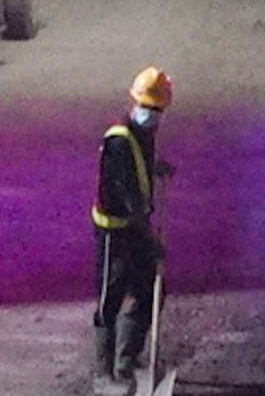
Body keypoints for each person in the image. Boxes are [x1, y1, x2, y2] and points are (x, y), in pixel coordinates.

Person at [91, 67, 173, 386]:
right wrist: (151, 240)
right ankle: (105, 373)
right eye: (150, 108)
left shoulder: (142, 135)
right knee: (108, 301)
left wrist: (155, 168)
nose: (153, 115)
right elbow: (129, 199)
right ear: (136, 102)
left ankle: (127, 360)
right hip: (115, 231)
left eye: (158, 110)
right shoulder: (118, 141)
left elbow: (139, 165)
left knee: (149, 290)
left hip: (134, 226)